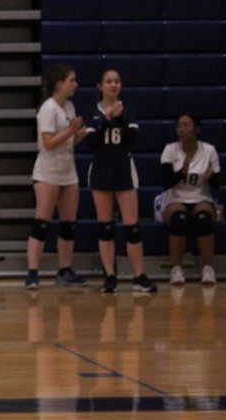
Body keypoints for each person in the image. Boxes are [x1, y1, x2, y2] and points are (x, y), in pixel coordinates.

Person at [83, 69, 155, 293]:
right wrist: (107, 118)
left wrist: (120, 119)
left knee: (132, 227)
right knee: (105, 227)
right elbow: (92, 144)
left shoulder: (129, 109)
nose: (113, 85)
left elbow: (132, 140)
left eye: (116, 81)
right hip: (101, 172)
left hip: (124, 170)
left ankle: (139, 276)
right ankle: (110, 276)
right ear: (100, 86)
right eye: (108, 81)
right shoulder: (91, 112)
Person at [25, 63, 87, 289]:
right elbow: (49, 143)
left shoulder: (68, 106)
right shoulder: (48, 108)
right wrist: (71, 131)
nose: (75, 85)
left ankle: (64, 270)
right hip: (48, 172)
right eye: (71, 80)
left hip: (68, 172)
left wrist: (81, 134)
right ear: (60, 83)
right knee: (42, 223)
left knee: (69, 224)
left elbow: (68, 142)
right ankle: (32, 273)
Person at [160, 113, 220, 286]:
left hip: (201, 197)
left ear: (197, 129)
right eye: (179, 126)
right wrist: (181, 173)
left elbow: (217, 184)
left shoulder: (209, 150)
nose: (182, 129)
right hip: (176, 198)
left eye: (187, 125)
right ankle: (176, 269)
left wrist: (211, 177)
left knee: (203, 219)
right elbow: (166, 183)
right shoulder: (170, 150)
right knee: (180, 219)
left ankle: (208, 269)